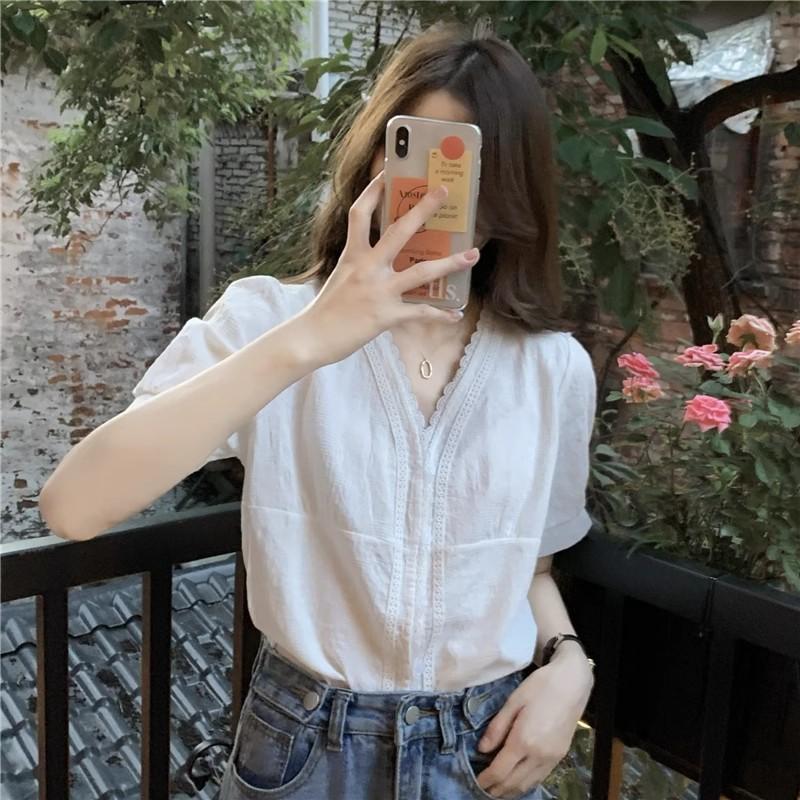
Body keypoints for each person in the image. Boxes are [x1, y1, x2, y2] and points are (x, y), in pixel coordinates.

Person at [40, 22, 597, 800]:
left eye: (467, 168)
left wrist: (570, 663)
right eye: (413, 156)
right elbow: (74, 506)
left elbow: (527, 564)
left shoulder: (554, 369)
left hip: (486, 748)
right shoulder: (267, 320)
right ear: (373, 163)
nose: (435, 196)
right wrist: (310, 338)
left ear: (509, 193)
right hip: (305, 749)